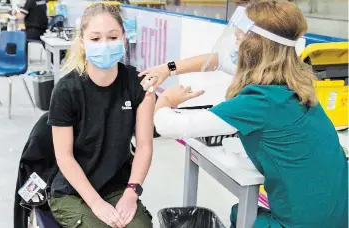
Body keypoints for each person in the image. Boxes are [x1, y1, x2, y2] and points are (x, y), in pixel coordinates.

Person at [141, 1, 348, 227]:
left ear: (256, 46)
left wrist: (166, 100)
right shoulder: (293, 81)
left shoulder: (259, 102)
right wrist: (167, 68)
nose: (236, 43)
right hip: (339, 213)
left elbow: (167, 125)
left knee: (240, 213)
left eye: (239, 38)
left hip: (305, 224)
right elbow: (218, 61)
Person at [47, 3, 154, 228]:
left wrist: (131, 193)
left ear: (124, 38)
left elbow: (144, 146)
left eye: (112, 37)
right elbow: (64, 157)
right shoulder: (66, 91)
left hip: (116, 187)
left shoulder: (138, 84)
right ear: (83, 42)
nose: (104, 45)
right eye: (95, 39)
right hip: (73, 192)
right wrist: (96, 203)